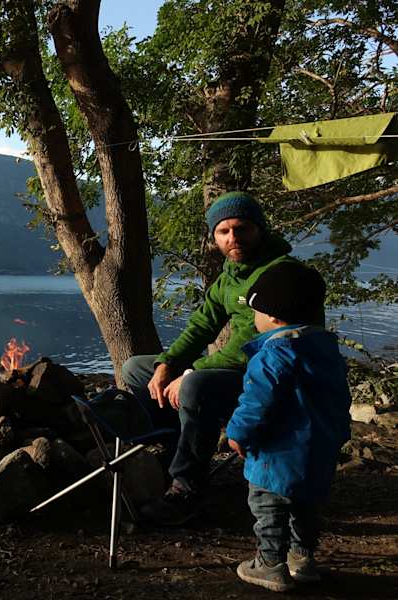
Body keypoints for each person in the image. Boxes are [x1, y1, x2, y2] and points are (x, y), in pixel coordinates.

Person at [122, 190, 322, 525]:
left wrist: (190, 372)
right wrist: (166, 365)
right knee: (136, 369)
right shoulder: (230, 275)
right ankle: (177, 451)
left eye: (241, 228)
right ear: (214, 237)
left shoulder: (280, 274)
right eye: (223, 231)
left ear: (259, 228)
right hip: (244, 371)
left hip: (276, 377)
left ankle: (187, 488)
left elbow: (252, 341)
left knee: (195, 385)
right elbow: (202, 324)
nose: (233, 238)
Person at [226, 261, 350, 592]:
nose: (255, 319)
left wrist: (237, 434)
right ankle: (302, 559)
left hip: (276, 455)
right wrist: (339, 435)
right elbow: (341, 400)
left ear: (273, 315)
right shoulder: (327, 350)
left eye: (256, 311)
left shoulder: (273, 354)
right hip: (319, 450)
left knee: (269, 510)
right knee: (307, 507)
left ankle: (269, 565)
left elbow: (257, 403)